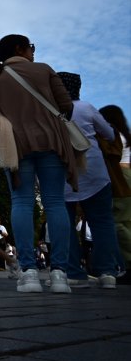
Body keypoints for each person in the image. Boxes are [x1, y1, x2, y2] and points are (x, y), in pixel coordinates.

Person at [0, 34, 77, 293]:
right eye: (31, 47)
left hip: (15, 144)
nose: (33, 52)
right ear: (20, 48)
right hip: (51, 141)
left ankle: (29, 272)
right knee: (55, 203)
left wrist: (1, 123)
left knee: (21, 201)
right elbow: (66, 105)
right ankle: (59, 274)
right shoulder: (44, 70)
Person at [57, 72, 119, 289]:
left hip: (63, 175)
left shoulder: (51, 112)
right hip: (95, 173)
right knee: (102, 223)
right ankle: (107, 272)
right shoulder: (86, 108)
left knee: (65, 225)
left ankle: (74, 272)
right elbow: (110, 135)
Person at [98, 105, 131, 285]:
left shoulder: (113, 134)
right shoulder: (126, 134)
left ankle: (128, 263)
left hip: (119, 176)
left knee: (117, 222)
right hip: (128, 175)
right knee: (127, 222)